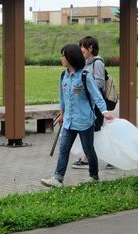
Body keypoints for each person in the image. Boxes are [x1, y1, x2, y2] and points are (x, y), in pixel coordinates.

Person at [41, 44, 114, 187]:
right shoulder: (63, 75)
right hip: (69, 121)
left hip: (84, 121)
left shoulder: (85, 76)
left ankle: (94, 176)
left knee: (89, 150)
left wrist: (105, 112)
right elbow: (62, 98)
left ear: (71, 57)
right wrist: (62, 114)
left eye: (63, 55)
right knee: (63, 149)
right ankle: (58, 178)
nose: (61, 58)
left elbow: (96, 96)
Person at [71, 36, 114, 170]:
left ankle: (90, 159)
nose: (80, 49)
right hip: (88, 103)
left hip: (96, 104)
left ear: (91, 48)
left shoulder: (97, 62)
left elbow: (99, 83)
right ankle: (90, 158)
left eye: (82, 46)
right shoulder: (85, 63)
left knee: (96, 131)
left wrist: (85, 86)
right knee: (93, 131)